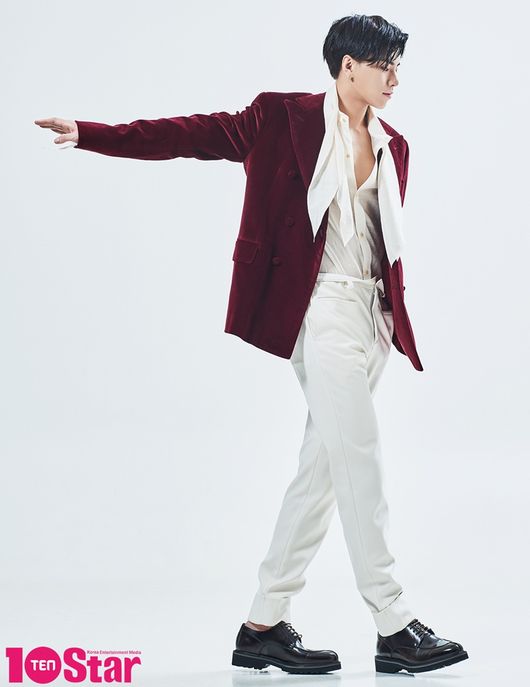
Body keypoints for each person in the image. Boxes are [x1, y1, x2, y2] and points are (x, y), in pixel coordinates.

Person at [34, 12, 469, 676]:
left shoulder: (394, 145)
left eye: (398, 66)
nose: (394, 78)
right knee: (362, 461)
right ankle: (393, 621)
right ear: (348, 66)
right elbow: (189, 134)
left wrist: (387, 316)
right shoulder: (280, 118)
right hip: (317, 310)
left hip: (372, 317)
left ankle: (262, 624)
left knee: (324, 472)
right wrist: (91, 133)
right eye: (384, 65)